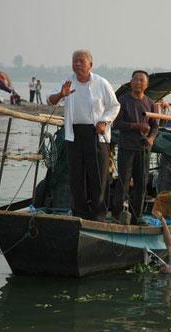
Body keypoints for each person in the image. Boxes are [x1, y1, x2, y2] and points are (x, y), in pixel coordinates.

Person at [47, 49, 120, 221]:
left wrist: (104, 121)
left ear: (90, 65)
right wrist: (61, 94)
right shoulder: (67, 82)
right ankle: (80, 213)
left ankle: (99, 215)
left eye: (81, 61)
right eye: (75, 61)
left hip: (96, 133)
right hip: (74, 134)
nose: (77, 64)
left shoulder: (101, 83)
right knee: (76, 176)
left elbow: (114, 106)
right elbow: (50, 100)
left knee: (98, 175)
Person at [113, 70, 159, 224]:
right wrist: (136, 126)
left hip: (143, 148)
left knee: (141, 183)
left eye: (141, 80)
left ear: (146, 85)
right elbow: (117, 123)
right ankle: (117, 215)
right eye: (136, 80)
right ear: (131, 82)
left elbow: (155, 126)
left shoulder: (151, 103)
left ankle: (136, 217)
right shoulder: (123, 100)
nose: (138, 83)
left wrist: (151, 139)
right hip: (126, 147)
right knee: (123, 182)